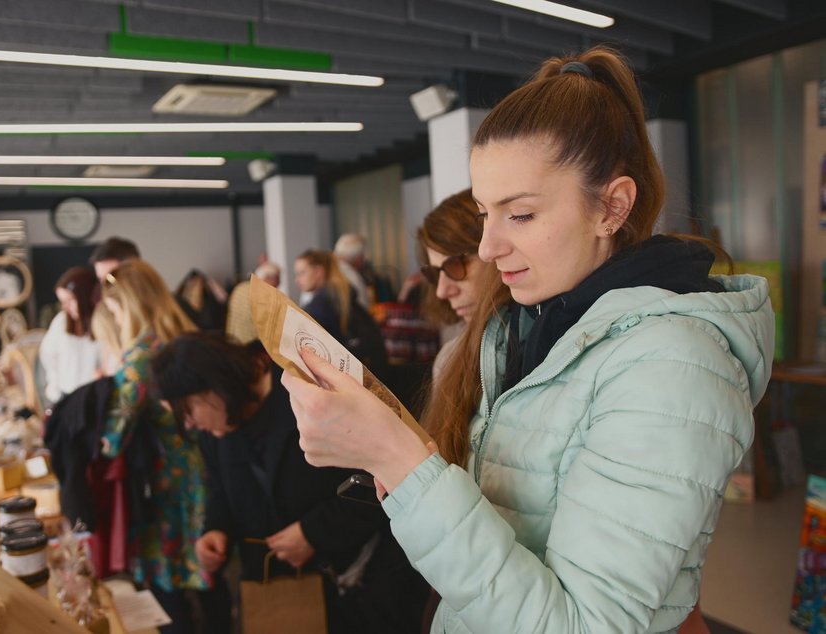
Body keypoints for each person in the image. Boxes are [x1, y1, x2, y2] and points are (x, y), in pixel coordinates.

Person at [282, 46, 774, 633]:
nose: (488, 248)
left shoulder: (671, 364)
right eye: (485, 214)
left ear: (612, 207)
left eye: (519, 215)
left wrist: (400, 460)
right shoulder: (525, 329)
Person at [151, 333, 428, 634]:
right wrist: (215, 530)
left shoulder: (304, 392)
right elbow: (220, 490)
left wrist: (313, 533)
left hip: (357, 581)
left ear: (215, 387)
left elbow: (376, 477)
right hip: (279, 593)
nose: (188, 424)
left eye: (187, 410)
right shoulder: (216, 433)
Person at [99, 259, 219, 633]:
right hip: (206, 470)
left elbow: (113, 435)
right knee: (210, 577)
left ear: (129, 305)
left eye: (115, 311)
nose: (116, 320)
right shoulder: (187, 337)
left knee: (168, 588)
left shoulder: (140, 357)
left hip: (167, 483)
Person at [416, 189, 504, 382]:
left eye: (454, 266)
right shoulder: (449, 359)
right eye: (434, 273)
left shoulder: (546, 350)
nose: (442, 291)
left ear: (493, 251)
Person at [295, 249, 389, 380]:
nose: (297, 280)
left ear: (318, 271)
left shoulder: (320, 305)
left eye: (302, 273)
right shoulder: (340, 294)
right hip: (371, 373)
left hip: (355, 377)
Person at [38, 266, 102, 406]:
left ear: (85, 296)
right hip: (65, 396)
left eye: (70, 300)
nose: (66, 307)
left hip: (92, 400)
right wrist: (55, 388)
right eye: (63, 302)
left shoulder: (102, 324)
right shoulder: (61, 321)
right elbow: (48, 355)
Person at [225, 261, 281, 344]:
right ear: (270, 278)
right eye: (277, 280)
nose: (278, 284)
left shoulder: (239, 287)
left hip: (233, 341)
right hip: (252, 345)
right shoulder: (263, 294)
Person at [334, 233, 372, 309]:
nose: (363, 260)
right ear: (358, 257)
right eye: (362, 255)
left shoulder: (329, 269)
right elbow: (363, 306)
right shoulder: (352, 277)